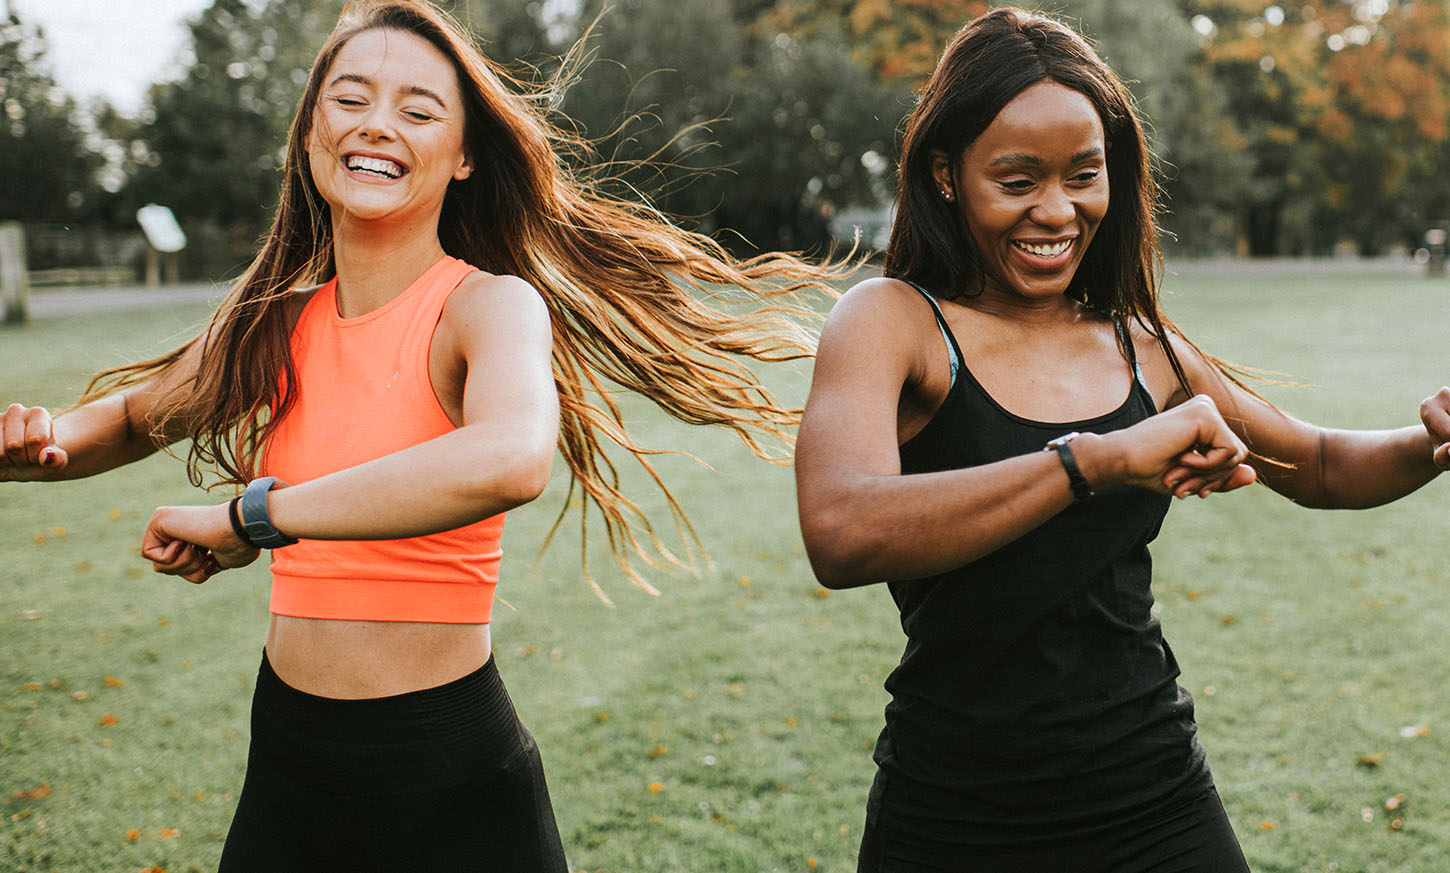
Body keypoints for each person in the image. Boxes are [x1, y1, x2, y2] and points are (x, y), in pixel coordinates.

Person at [0, 2, 841, 870]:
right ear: (310, 129)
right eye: (350, 99)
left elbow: (510, 457)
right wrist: (42, 439)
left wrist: (253, 517)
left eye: (418, 109)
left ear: (466, 155)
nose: (377, 126)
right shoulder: (273, 325)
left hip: (447, 783)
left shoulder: (487, 307)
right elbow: (137, 416)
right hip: (286, 771)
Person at [793, 8, 1450, 873]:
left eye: (1084, 175)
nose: (1057, 210)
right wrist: (1094, 460)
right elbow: (841, 530)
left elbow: (1320, 462)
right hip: (956, 809)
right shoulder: (892, 323)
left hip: (1156, 796)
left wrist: (1432, 439)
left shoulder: (1142, 343)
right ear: (948, 175)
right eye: (1018, 179)